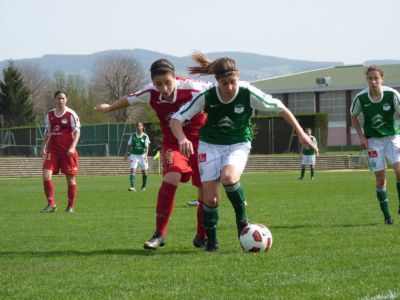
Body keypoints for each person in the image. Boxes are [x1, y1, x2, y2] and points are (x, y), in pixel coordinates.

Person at [170, 51, 318, 252]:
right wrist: (182, 138)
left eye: (233, 82)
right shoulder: (207, 96)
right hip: (210, 144)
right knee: (210, 198)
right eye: (224, 83)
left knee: (229, 178)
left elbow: (280, 107)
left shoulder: (248, 92)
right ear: (217, 82)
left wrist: (301, 133)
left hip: (238, 142)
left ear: (238, 78)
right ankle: (212, 243)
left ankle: (242, 221)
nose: (229, 87)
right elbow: (176, 119)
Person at [95, 59, 212, 249]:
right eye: (158, 84)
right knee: (171, 177)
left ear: (175, 77)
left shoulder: (193, 88)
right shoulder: (150, 92)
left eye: (167, 82)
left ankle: (202, 234)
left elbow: (218, 91)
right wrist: (109, 108)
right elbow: (129, 99)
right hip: (173, 142)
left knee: (204, 190)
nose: (164, 88)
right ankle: (159, 234)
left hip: (202, 142)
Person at [350, 64, 400, 225]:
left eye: (376, 78)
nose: (373, 81)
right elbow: (353, 116)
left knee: (399, 171)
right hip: (373, 141)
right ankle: (387, 217)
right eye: (370, 78)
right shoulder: (361, 98)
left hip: (392, 138)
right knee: (380, 179)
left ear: (382, 79)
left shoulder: (392, 94)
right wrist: (361, 137)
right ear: (367, 80)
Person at [40, 91, 81, 213]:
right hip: (53, 150)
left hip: (68, 151)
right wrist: (43, 146)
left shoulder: (71, 114)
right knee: (46, 174)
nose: (60, 100)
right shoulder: (50, 114)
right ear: (55, 100)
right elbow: (48, 132)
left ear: (66, 99)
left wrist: (72, 147)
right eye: (58, 98)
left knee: (70, 179)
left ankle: (70, 206)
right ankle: (51, 204)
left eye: (63, 98)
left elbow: (77, 132)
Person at [124, 121, 150, 192]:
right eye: (137, 126)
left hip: (142, 155)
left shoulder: (145, 136)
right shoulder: (133, 135)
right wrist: (126, 154)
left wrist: (146, 156)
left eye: (140, 126)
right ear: (136, 127)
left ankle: (143, 186)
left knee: (144, 171)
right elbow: (129, 145)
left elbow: (147, 146)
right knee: (132, 170)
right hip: (134, 155)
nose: (139, 127)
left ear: (142, 127)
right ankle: (132, 187)